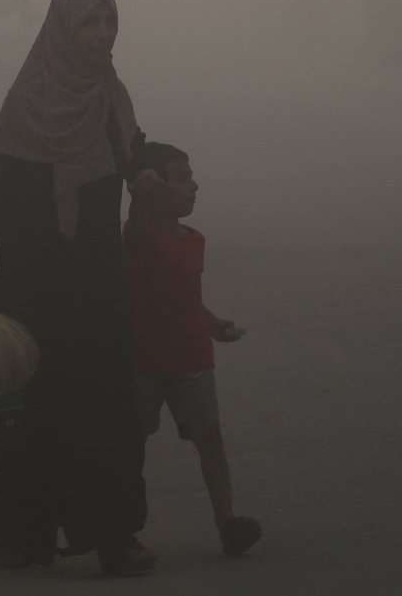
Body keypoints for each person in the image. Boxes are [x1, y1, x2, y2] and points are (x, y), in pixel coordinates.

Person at [0, 0, 155, 576]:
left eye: (109, 22)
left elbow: (135, 157)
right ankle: (21, 534)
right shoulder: (28, 101)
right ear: (63, 29)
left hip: (98, 282)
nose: (101, 34)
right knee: (35, 411)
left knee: (109, 411)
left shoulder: (112, 100)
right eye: (89, 22)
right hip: (34, 285)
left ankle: (116, 537)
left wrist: (152, 176)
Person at [125, 140, 262, 558]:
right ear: (154, 188)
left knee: (210, 438)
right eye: (183, 180)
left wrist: (212, 323)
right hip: (143, 362)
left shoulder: (192, 239)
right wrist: (140, 191)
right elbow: (137, 221)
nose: (194, 186)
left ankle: (228, 522)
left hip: (192, 359)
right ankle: (123, 529)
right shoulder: (139, 235)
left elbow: (184, 296)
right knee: (130, 443)